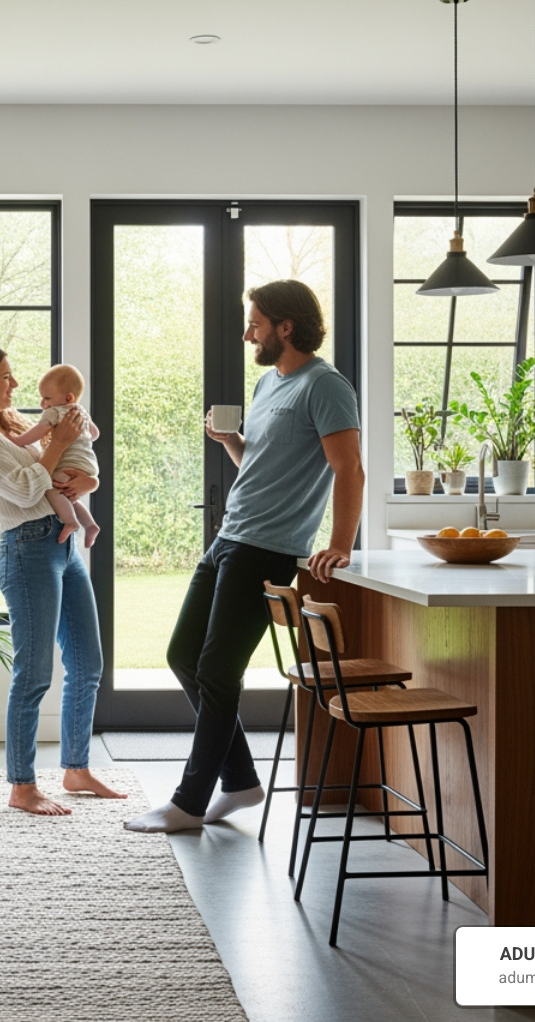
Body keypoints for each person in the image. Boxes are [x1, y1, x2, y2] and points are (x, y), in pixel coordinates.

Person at [125, 279, 364, 834]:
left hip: (268, 549)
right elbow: (261, 464)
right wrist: (228, 443)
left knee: (217, 670)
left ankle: (189, 802)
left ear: (286, 326)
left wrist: (341, 544)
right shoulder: (267, 383)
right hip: (229, 537)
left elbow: (348, 468)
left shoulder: (325, 386)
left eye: (255, 323)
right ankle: (241, 782)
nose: (246, 333)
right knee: (184, 655)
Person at [0, 345, 125, 816]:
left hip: (63, 546)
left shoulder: (16, 425)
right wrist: (61, 448)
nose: (16, 385)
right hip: (26, 549)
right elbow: (27, 489)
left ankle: (76, 768)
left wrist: (87, 482)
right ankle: (22, 785)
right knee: (35, 674)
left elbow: (76, 467)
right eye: (6, 376)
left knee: (88, 663)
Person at [9, 363, 101, 548]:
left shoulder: (55, 411)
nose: (43, 404)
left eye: (47, 398)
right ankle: (90, 524)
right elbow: (95, 434)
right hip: (88, 465)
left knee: (51, 488)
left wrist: (18, 441)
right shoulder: (81, 411)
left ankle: (70, 522)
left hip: (69, 463)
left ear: (68, 397)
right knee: (69, 497)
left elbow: (38, 431)